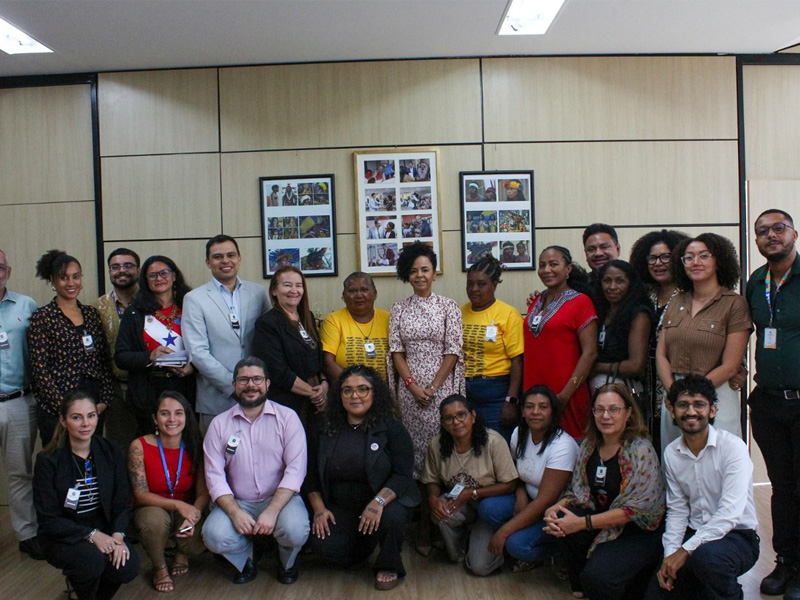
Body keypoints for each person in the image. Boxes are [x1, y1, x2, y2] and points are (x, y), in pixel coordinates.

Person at [544, 384, 665, 600]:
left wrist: (582, 523)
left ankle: (628, 579)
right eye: (599, 410)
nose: (605, 416)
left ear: (628, 413)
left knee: (599, 580)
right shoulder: (589, 446)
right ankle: (583, 582)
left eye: (614, 409)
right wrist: (557, 506)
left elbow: (634, 511)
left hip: (637, 530)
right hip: (600, 520)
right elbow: (578, 493)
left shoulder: (641, 450)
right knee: (560, 519)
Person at [304, 365, 420, 591]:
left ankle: (388, 564)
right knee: (323, 546)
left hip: (384, 502)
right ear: (339, 395)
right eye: (347, 390)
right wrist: (319, 509)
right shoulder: (325, 427)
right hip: (341, 505)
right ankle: (363, 544)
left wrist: (378, 503)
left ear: (374, 393)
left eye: (362, 389)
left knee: (392, 517)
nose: (354, 396)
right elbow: (310, 474)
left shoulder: (392, 427)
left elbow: (402, 475)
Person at [645, 375, 759, 599]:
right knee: (657, 593)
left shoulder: (733, 448)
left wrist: (685, 551)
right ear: (671, 409)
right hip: (695, 534)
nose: (691, 412)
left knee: (707, 560)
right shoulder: (671, 453)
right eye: (683, 405)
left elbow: (729, 514)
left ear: (713, 410)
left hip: (737, 537)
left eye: (699, 405)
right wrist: (670, 556)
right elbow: (677, 510)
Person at [202, 357, 309, 585]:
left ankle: (286, 561)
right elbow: (214, 476)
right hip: (238, 501)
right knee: (213, 536)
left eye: (257, 379)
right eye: (243, 380)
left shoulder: (288, 418)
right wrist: (233, 512)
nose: (250, 385)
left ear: (267, 384)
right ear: (234, 385)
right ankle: (246, 557)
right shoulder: (219, 424)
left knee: (296, 530)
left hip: (281, 499)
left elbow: (295, 470)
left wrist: (272, 511)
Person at [32, 390, 139, 600]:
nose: (85, 424)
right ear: (63, 421)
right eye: (76, 417)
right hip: (65, 534)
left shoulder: (110, 449)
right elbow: (48, 519)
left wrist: (117, 536)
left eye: (91, 416)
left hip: (105, 528)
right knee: (91, 561)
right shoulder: (48, 460)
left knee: (127, 566)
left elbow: (122, 501)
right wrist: (92, 535)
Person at [745, 209, 800, 597]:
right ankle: (786, 561)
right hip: (767, 403)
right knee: (781, 487)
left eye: (778, 228)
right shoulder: (756, 282)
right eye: (762, 231)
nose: (770, 236)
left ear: (794, 233)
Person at [656, 233, 752, 450]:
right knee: (676, 462)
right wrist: (674, 394)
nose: (695, 262)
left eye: (704, 256)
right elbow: (662, 354)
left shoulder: (734, 304)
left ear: (718, 260)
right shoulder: (676, 301)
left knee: (720, 462)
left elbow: (730, 366)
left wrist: (692, 397)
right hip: (674, 395)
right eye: (688, 257)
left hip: (715, 394)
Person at [478, 385, 578, 572]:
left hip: (556, 510)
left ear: (552, 412)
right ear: (522, 412)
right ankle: (521, 533)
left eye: (543, 407)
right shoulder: (519, 433)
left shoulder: (563, 446)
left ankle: (561, 553)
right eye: (529, 406)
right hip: (531, 498)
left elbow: (545, 501)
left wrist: (504, 532)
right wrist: (522, 494)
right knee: (488, 508)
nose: (535, 412)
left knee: (517, 545)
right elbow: (518, 475)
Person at [389, 241, 465, 478]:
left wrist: (433, 387)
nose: (419, 275)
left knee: (443, 441)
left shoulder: (448, 307)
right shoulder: (399, 309)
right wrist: (412, 386)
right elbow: (396, 351)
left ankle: (443, 497)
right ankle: (416, 500)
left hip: (441, 388)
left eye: (424, 269)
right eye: (413, 271)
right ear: (406, 275)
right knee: (411, 444)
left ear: (433, 273)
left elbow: (453, 351)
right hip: (410, 390)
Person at [420, 394, 518, 575]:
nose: (456, 422)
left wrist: (470, 493)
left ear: (473, 416)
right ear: (442, 423)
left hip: (491, 507)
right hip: (462, 503)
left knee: (479, 567)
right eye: (449, 418)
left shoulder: (493, 441)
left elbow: (510, 485)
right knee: (442, 512)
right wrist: (433, 498)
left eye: (461, 415)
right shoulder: (437, 445)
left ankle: (490, 546)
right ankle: (460, 550)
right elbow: (432, 480)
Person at [183, 235, 269, 433]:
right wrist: (233, 385)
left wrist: (252, 384)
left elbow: (267, 340)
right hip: (216, 398)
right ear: (208, 262)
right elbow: (198, 352)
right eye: (217, 256)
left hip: (258, 396)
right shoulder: (194, 299)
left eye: (231, 255)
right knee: (217, 461)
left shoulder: (258, 293)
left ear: (239, 258)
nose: (225, 261)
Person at [28, 250, 114, 446]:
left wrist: (105, 400)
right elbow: (40, 370)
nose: (71, 283)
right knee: (60, 466)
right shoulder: (43, 317)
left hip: (92, 406)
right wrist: (65, 409)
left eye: (76, 276)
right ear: (53, 281)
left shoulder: (91, 314)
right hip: (57, 408)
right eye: (63, 278)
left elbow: (103, 360)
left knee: (91, 464)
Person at [128, 391, 209, 592]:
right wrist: (178, 505)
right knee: (154, 520)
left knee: (202, 537)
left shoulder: (195, 445)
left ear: (186, 417)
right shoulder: (140, 445)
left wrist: (193, 516)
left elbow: (203, 494)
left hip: (186, 510)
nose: (172, 419)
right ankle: (160, 567)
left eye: (178, 413)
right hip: (151, 508)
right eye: (164, 413)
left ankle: (182, 553)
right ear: (155, 419)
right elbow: (140, 494)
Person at [115, 255, 195, 436]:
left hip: (186, 388)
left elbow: (206, 348)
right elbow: (121, 356)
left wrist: (193, 368)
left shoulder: (190, 306)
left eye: (164, 273)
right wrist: (150, 356)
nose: (159, 278)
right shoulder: (135, 313)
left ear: (174, 276)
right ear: (145, 281)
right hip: (147, 391)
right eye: (152, 275)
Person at [524, 246, 598, 439]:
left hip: (567, 394)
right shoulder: (536, 300)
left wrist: (565, 394)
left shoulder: (581, 302)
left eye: (553, 264)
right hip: (534, 396)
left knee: (572, 450)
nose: (546, 270)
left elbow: (590, 353)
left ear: (568, 269)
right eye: (542, 265)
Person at [0, 248, 44, 560]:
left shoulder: (25, 304)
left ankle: (27, 534)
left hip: (17, 401)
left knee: (19, 473)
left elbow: (39, 354)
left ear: (8, 271)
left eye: (0, 266)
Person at [629, 229, 689, 446]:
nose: (658, 263)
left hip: (676, 382)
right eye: (652, 258)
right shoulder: (644, 294)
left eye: (666, 257)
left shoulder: (690, 296)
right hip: (644, 385)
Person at [460, 254, 523, 441]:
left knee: (496, 444)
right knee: (470, 444)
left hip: (495, 391)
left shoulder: (508, 315)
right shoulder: (459, 312)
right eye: (470, 284)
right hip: (464, 390)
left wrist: (511, 401)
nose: (474, 289)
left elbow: (517, 360)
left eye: (481, 284)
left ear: (494, 285)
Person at [252, 265, 326, 421]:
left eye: (298, 286)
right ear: (274, 291)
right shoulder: (267, 324)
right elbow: (277, 371)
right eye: (287, 285)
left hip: (315, 401)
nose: (294, 290)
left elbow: (317, 357)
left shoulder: (308, 317)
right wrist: (313, 393)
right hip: (287, 403)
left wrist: (324, 384)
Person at [589, 260, 653, 416]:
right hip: (595, 393)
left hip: (623, 394)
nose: (612, 286)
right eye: (607, 280)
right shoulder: (599, 310)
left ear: (631, 284)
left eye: (620, 281)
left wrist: (595, 368)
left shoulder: (638, 314)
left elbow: (636, 365)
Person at [93, 248, 140, 453]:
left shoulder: (152, 302)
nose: (122, 270)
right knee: (119, 449)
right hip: (115, 391)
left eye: (128, 265)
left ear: (138, 270)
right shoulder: (97, 308)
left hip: (149, 385)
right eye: (115, 267)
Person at [320, 272, 390, 382]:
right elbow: (328, 362)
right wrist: (357, 388)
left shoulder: (388, 319)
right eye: (352, 291)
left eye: (364, 290)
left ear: (374, 294)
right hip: (348, 392)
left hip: (384, 392)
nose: (359, 295)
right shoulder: (333, 320)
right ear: (343, 296)